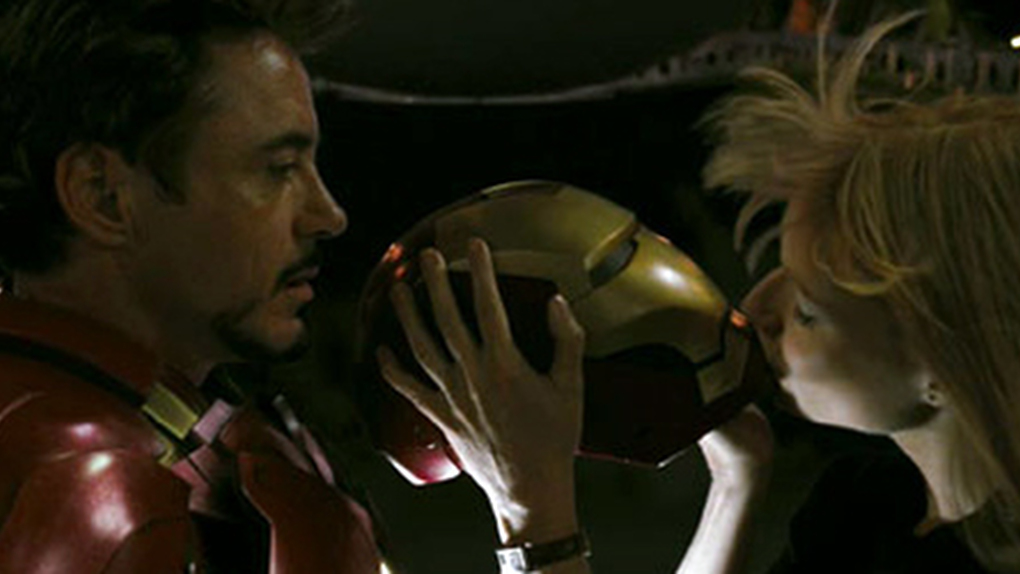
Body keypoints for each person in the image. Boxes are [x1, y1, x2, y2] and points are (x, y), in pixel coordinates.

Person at [0, 0, 586, 572]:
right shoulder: (86, 489)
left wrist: (528, 497)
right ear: (103, 196)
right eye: (278, 170)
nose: (328, 216)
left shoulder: (190, 427)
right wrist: (536, 521)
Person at [675, 12, 1020, 574]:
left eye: (807, 311)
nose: (755, 312)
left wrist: (537, 516)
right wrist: (735, 482)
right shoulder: (866, 504)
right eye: (780, 270)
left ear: (943, 356)